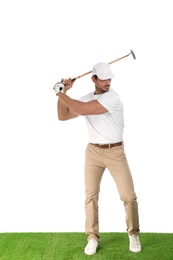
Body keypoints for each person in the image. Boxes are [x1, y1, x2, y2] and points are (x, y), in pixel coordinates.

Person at [54, 62, 141, 255]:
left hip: (115, 152)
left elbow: (84, 109)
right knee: (90, 196)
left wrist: (61, 93)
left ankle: (133, 233)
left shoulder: (113, 98)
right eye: (103, 78)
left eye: (109, 78)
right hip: (93, 152)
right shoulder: (86, 98)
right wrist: (63, 94)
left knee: (128, 196)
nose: (107, 81)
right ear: (93, 79)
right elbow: (63, 116)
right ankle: (92, 237)